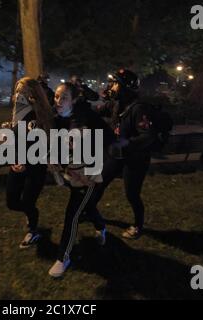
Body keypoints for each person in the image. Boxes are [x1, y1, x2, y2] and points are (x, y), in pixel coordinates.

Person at [48, 82, 115, 278]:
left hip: (89, 175)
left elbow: (109, 138)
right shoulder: (57, 119)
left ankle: (63, 257)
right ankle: (101, 227)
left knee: (72, 215)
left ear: (75, 99)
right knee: (87, 206)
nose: (58, 101)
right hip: (72, 174)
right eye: (56, 97)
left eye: (64, 97)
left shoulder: (87, 116)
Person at [89, 69, 156, 240]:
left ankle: (138, 225)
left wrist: (128, 143)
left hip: (135, 159)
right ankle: (88, 211)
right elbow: (96, 111)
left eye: (115, 83)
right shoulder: (116, 104)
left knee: (132, 194)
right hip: (116, 154)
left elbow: (148, 135)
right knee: (98, 183)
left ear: (126, 87)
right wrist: (80, 101)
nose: (111, 86)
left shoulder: (139, 108)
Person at [6, 77, 54, 249]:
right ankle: (29, 213)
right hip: (17, 163)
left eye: (23, 91)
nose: (19, 94)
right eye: (17, 90)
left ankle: (33, 230)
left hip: (34, 166)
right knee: (11, 202)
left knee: (27, 201)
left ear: (33, 94)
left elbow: (41, 143)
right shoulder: (18, 111)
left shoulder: (38, 114)